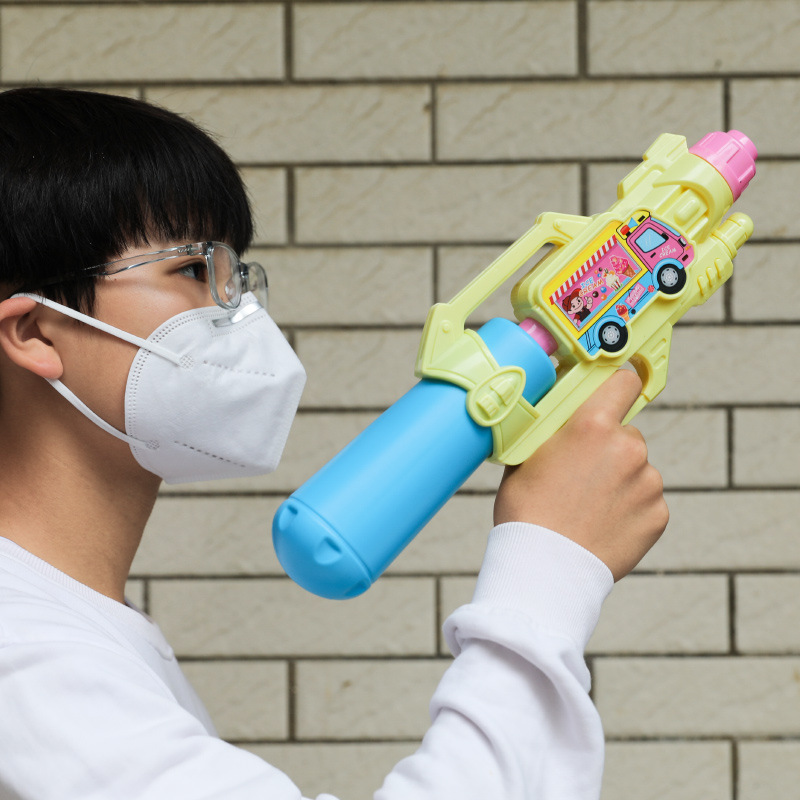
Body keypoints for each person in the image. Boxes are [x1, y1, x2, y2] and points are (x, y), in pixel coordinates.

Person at [0, 87, 668, 800]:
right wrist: (549, 567)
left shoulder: (71, 623)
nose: (244, 316)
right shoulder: (26, 654)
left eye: (237, 276)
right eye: (193, 271)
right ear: (35, 332)